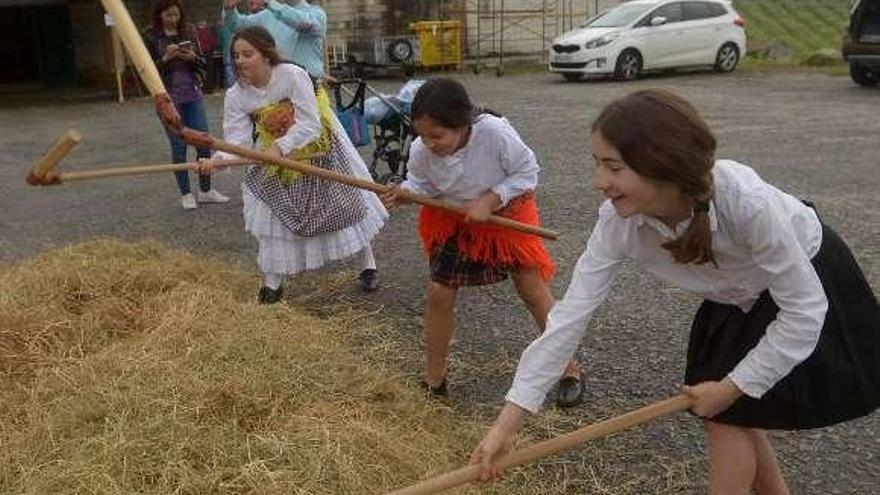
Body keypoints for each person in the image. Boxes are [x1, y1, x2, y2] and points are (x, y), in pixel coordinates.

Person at [469, 89, 880, 493]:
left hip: (804, 281)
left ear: (663, 164)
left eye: (613, 167)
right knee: (732, 415)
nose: (599, 182)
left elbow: (805, 309)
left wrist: (733, 386)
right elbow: (569, 319)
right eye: (597, 164)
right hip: (735, 295)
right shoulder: (618, 221)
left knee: (728, 413)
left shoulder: (744, 202)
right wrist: (507, 424)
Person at [380, 78, 584, 407]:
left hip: (507, 215)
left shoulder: (495, 134)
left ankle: (568, 368)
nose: (429, 144)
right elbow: (422, 184)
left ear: (462, 124)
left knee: (531, 287)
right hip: (456, 219)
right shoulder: (421, 149)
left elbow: (526, 172)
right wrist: (405, 194)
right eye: (422, 135)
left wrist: (490, 200)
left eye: (438, 136)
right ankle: (434, 380)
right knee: (439, 292)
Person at [201, 26, 387, 302]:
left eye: (247, 54)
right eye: (236, 55)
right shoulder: (237, 95)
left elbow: (310, 123)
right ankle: (272, 284)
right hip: (271, 155)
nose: (239, 60)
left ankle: (367, 263)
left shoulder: (292, 75)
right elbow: (237, 142)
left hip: (316, 145)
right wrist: (219, 160)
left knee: (344, 203)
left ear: (266, 55)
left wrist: (281, 146)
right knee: (271, 217)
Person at [145, 0, 229, 210]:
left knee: (203, 140)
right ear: (160, 15)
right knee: (179, 145)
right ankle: (186, 194)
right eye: (168, 15)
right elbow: (145, 70)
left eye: (176, 15)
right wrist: (165, 57)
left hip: (192, 93)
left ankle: (206, 190)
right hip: (167, 98)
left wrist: (192, 57)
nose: (173, 19)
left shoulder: (189, 31)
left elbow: (201, 60)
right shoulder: (151, 36)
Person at [222, 0, 298, 64]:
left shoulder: (305, 12)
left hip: (297, 73)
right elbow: (237, 24)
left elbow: (305, 22)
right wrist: (229, 9)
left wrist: (269, 3)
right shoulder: (266, 15)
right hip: (268, 71)